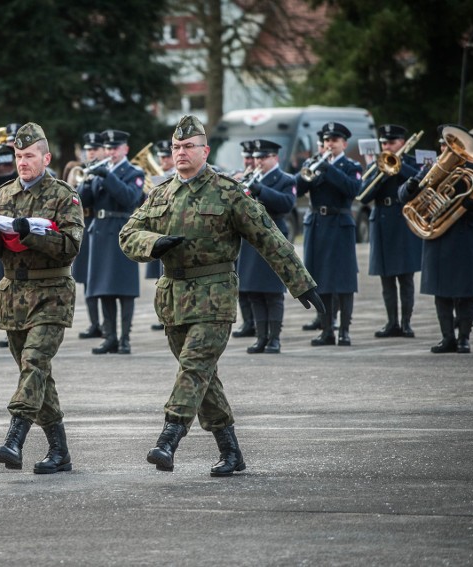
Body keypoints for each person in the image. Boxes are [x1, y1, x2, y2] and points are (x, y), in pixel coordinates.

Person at [119, 115, 323, 476]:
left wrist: (301, 282)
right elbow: (128, 233)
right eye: (176, 147)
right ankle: (231, 451)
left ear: (205, 151)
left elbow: (269, 237)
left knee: (194, 367)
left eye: (188, 147)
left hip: (214, 298)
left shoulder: (228, 192)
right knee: (202, 377)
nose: (181, 153)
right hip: (173, 300)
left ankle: (169, 438)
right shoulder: (162, 192)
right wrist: (154, 243)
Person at [0, 122, 84, 474]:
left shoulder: (64, 195)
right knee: (35, 375)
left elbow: (70, 247)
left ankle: (15, 437)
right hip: (14, 296)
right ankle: (59, 451)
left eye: (29, 156)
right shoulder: (1, 195)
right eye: (18, 156)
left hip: (51, 294)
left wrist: (31, 234)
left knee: (34, 363)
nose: (23, 162)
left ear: (46, 157)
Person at [399, 126, 473, 353]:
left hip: (467, 234)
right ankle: (447, 337)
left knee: (466, 291)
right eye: (443, 145)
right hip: (440, 235)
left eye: (449, 145)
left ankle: (464, 338)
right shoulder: (433, 168)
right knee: (442, 290)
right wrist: (408, 188)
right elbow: (407, 196)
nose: (445, 149)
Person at [295, 121, 362, 346]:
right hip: (317, 225)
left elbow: (353, 190)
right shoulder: (314, 163)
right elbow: (298, 189)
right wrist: (308, 172)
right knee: (320, 279)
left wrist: (329, 169)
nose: (329, 144)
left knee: (343, 281)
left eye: (334, 140)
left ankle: (344, 331)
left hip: (340, 223)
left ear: (343, 143)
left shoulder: (351, 166)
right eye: (326, 141)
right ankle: (326, 330)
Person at [79, 129, 145, 355]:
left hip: (121, 231)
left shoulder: (133, 172)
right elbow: (82, 201)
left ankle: (125, 338)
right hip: (99, 233)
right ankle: (110, 337)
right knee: (103, 289)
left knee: (125, 289)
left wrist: (107, 176)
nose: (110, 152)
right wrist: (87, 180)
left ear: (125, 149)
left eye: (115, 148)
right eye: (107, 148)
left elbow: (129, 199)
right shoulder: (100, 171)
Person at [358, 124, 421, 338]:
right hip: (382, 222)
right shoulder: (376, 164)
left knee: (405, 277)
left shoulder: (412, 163)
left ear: (402, 143)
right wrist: (381, 172)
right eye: (384, 143)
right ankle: (391, 322)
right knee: (386, 278)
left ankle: (406, 323)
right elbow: (363, 196)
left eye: (391, 143)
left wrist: (398, 166)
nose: (387, 146)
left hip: (404, 221)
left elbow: (422, 183)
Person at [236, 139, 297, 354]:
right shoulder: (250, 178)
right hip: (252, 238)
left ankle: (274, 338)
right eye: (257, 157)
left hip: (274, 237)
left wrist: (260, 189)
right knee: (253, 291)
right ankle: (260, 337)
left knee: (272, 292)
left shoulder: (285, 179)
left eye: (264, 157)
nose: (258, 161)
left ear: (275, 158)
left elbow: (287, 204)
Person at [73, 131, 105, 340]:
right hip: (86, 226)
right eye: (89, 150)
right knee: (87, 277)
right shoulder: (84, 172)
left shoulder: (109, 171)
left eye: (95, 149)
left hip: (103, 225)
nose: (91, 153)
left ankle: (108, 324)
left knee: (105, 276)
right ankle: (94, 323)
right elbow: (78, 199)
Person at [146, 139, 174, 331]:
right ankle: (163, 314)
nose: (162, 160)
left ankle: (171, 314)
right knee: (161, 277)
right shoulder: (157, 177)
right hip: (160, 230)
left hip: (174, 229)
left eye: (166, 156)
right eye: (160, 156)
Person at [231, 140, 258, 339]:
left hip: (257, 234)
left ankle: (258, 323)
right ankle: (248, 321)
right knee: (241, 281)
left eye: (253, 157)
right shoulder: (238, 176)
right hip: (241, 237)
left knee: (256, 283)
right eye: (247, 157)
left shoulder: (260, 179)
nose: (249, 161)